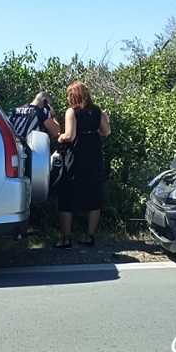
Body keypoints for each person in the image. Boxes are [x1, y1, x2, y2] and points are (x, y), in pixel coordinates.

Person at [54, 81, 111, 249]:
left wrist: (60, 137)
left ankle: (66, 238)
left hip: (76, 157)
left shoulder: (71, 112)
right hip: (94, 156)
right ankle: (89, 236)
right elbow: (106, 131)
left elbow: (70, 136)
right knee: (94, 195)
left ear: (74, 95)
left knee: (67, 195)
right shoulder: (97, 111)